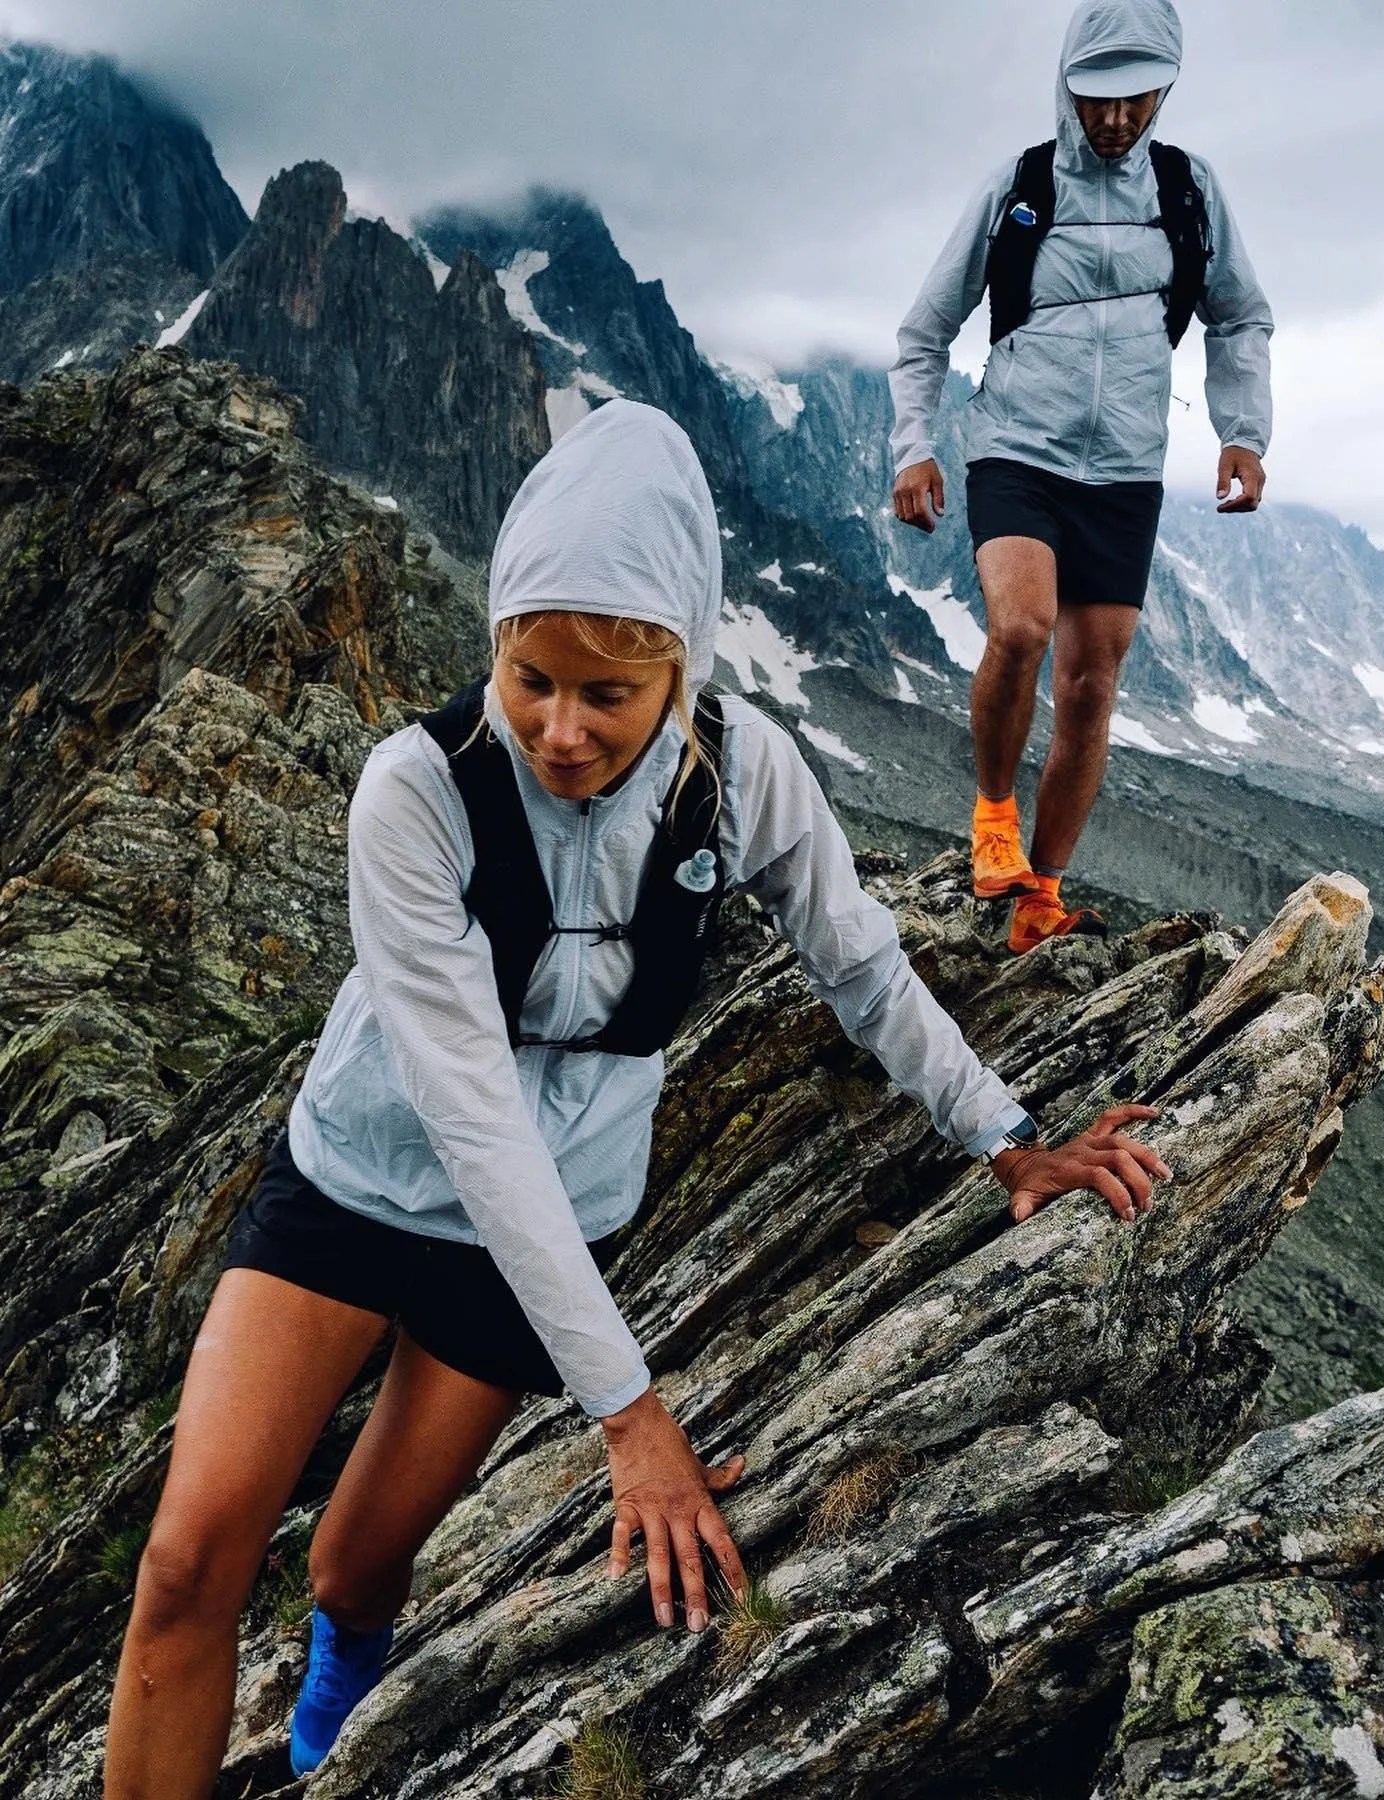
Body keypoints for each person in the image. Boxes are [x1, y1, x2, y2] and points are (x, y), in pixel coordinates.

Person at [103, 399, 1170, 1796]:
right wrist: (629, 1416)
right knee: (188, 1561)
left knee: (355, 1563)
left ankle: (337, 1681)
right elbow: (470, 1108)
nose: (558, 729)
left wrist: (1008, 1137)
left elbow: (863, 967)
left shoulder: (744, 776)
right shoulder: (414, 791)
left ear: (679, 662)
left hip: (549, 1223)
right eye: (530, 677)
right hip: (361, 1180)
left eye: (607, 694)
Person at [889, 0, 1273, 954]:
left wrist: (1244, 432)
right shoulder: (1018, 187)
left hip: (1126, 472)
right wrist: (913, 447)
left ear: (1164, 90)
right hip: (1018, 449)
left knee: (1094, 685)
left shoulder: (1190, 189)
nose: (1114, 119)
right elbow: (923, 332)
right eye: (1095, 99)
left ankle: (1041, 897)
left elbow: (1241, 316)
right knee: (1019, 628)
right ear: (1065, 87)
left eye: (1136, 99)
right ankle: (991, 821)